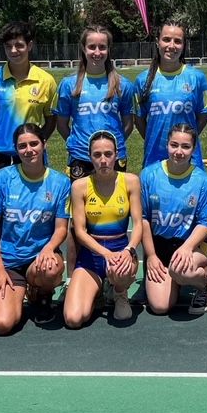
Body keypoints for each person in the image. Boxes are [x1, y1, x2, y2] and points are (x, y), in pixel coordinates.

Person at [0, 123, 71, 334]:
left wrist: (49, 248)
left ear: (44, 145)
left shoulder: (60, 182)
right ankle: (18, 291)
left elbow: (62, 228)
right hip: (9, 262)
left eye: (34, 144)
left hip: (40, 259)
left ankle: (40, 295)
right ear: (16, 149)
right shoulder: (1, 179)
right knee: (3, 325)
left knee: (51, 268)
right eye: (22, 146)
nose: (29, 150)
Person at [63, 130, 145, 328]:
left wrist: (129, 250)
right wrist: (105, 254)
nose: (103, 160)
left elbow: (139, 224)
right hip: (92, 256)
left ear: (116, 155)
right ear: (90, 156)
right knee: (73, 319)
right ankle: (98, 289)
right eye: (97, 155)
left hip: (121, 254)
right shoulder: (80, 186)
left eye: (108, 154)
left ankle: (119, 292)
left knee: (122, 318)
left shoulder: (131, 181)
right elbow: (80, 231)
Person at [140, 123, 207, 316]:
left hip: (191, 246)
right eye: (174, 145)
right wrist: (150, 255)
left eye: (186, 146)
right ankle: (173, 279)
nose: (179, 151)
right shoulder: (149, 175)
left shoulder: (202, 180)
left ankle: (205, 286)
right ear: (167, 144)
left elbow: (205, 222)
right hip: (159, 247)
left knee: (181, 271)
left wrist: (187, 248)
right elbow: (142, 219)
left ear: (193, 149)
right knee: (159, 307)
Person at [54, 25, 137, 179]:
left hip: (114, 157)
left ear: (109, 49)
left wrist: (111, 146)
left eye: (102, 47)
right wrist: (76, 143)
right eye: (92, 47)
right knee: (81, 201)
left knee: (114, 202)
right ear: (84, 49)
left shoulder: (122, 85)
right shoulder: (68, 85)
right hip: (80, 156)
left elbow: (128, 124)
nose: (97, 52)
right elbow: (61, 124)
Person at [0, 20, 58, 174]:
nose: (13, 51)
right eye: (8, 46)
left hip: (32, 155)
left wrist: (37, 143)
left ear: (29, 45)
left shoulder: (46, 81)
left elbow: (51, 120)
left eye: (19, 45)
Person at [133, 20, 207, 168]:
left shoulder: (197, 78)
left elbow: (203, 117)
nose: (171, 46)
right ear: (157, 42)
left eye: (177, 41)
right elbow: (139, 120)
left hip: (189, 158)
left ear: (183, 45)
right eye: (166, 39)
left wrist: (187, 141)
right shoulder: (142, 80)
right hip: (154, 158)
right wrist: (155, 139)